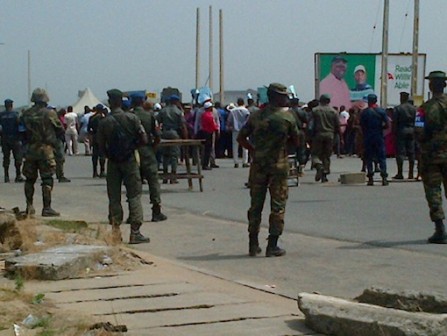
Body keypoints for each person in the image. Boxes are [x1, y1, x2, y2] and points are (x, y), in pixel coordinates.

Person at [237, 83, 299, 257]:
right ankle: (272, 245)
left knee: (255, 205)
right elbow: (297, 141)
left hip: (258, 165)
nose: (286, 99)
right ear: (276, 97)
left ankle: (253, 243)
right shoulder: (287, 117)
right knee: (278, 205)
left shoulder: (256, 116)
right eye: (284, 96)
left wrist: (254, 149)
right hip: (278, 166)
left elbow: (241, 137)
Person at [97, 89, 149, 244]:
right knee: (134, 195)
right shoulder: (132, 118)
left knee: (114, 197)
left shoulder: (104, 122)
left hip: (113, 162)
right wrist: (132, 148)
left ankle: (115, 232)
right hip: (130, 161)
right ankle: (135, 232)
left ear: (110, 102)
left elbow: (100, 144)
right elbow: (144, 138)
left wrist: (109, 155)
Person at [415, 70, 447, 244]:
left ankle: (440, 230)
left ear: (430, 86)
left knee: (433, 192)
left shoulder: (423, 109)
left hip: (432, 157)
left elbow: (418, 132)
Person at [21, 88, 64, 217]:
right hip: (46, 150)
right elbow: (59, 129)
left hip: (30, 150)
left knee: (29, 179)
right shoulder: (50, 113)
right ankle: (47, 207)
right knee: (47, 179)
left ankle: (29, 206)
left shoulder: (26, 114)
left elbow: (21, 131)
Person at [130, 92, 167, 222]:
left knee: (133, 183)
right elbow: (157, 135)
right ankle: (156, 211)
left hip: (132, 152)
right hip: (147, 151)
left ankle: (133, 213)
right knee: (153, 180)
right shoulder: (149, 116)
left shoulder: (129, 116)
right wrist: (153, 148)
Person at [360, 94, 389, 186]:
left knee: (369, 157)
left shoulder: (364, 112)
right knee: (381, 157)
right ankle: (384, 178)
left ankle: (370, 178)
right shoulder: (381, 111)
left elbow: (361, 125)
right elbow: (387, 125)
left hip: (368, 136)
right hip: (378, 136)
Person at [157, 95, 187, 184]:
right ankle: (173, 177)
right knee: (174, 155)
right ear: (176, 101)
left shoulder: (163, 110)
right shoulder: (178, 111)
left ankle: (165, 176)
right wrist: (185, 137)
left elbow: (157, 122)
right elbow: (183, 125)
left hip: (165, 133)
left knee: (165, 154)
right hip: (174, 133)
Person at [310, 94, 340, 183]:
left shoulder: (315, 110)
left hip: (318, 135)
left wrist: (310, 136)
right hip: (330, 135)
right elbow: (337, 126)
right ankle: (324, 175)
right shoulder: (333, 112)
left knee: (315, 154)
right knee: (326, 156)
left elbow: (311, 126)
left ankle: (318, 166)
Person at [392, 92, 416, 180]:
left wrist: (394, 132)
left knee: (400, 152)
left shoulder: (398, 108)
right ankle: (411, 173)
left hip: (401, 130)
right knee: (411, 152)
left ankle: (400, 173)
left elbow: (395, 121)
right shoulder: (413, 109)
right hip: (412, 130)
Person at [0, 99, 25, 183]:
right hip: (15, 139)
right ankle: (18, 175)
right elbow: (21, 127)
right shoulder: (16, 115)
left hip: (4, 138)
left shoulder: (1, 115)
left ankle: (6, 176)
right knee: (17, 158)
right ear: (11, 105)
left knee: (6, 158)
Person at [227, 98, 250, 168]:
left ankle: (236, 162)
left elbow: (229, 120)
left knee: (235, 146)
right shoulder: (246, 111)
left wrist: (229, 126)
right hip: (244, 130)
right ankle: (245, 162)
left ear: (237, 103)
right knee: (245, 146)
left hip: (235, 130)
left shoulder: (233, 111)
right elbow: (248, 120)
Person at [197, 101, 219, 170]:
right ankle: (205, 164)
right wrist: (217, 131)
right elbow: (214, 125)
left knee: (205, 149)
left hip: (204, 132)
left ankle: (204, 163)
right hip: (209, 133)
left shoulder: (203, 114)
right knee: (208, 149)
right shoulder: (209, 115)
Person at [88, 104, 107, 178]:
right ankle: (102, 171)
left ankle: (94, 171)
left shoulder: (91, 118)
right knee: (102, 155)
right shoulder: (103, 118)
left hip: (94, 136)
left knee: (95, 155)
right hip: (101, 137)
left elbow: (88, 129)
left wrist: (92, 135)